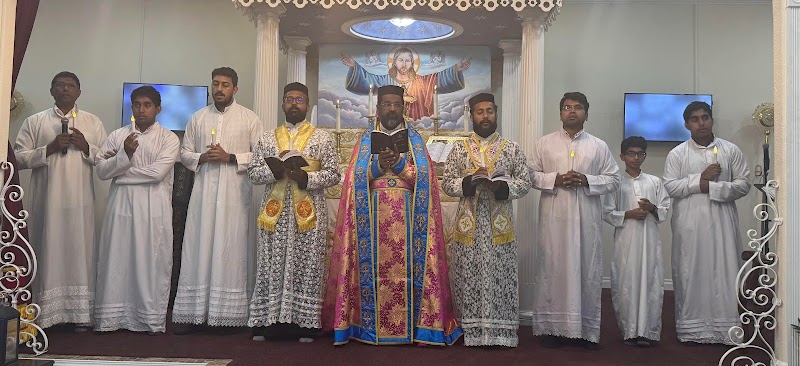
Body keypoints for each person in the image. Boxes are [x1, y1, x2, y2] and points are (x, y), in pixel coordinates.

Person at [323, 85, 462, 345]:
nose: (391, 109)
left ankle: (416, 327)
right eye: (386, 104)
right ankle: (364, 327)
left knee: (408, 271)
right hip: (372, 219)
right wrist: (376, 167)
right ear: (378, 108)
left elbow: (426, 182)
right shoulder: (366, 140)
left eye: (396, 104)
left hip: (408, 219)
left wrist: (399, 164)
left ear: (403, 107)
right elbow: (353, 182)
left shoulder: (416, 141)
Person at [172, 67, 263, 333]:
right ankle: (194, 313)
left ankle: (230, 315)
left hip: (235, 196)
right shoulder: (198, 118)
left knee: (231, 246)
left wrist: (231, 157)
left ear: (235, 89)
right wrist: (202, 157)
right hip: (203, 195)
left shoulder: (249, 119)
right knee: (199, 245)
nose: (219, 89)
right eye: (215, 84)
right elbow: (184, 153)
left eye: (225, 85)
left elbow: (260, 156)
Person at [247, 82, 340, 341]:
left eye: (299, 100)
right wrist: (274, 171)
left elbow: (334, 174)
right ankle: (267, 322)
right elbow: (254, 173)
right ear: (283, 104)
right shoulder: (267, 137)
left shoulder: (322, 137)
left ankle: (305, 323)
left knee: (307, 264)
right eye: (289, 99)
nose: (294, 104)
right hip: (274, 215)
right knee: (270, 263)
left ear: (308, 105)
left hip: (308, 214)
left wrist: (305, 178)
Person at [14, 71, 107, 330]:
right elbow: (18, 158)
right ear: (51, 90)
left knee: (80, 249)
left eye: (71, 86)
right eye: (60, 85)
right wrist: (50, 148)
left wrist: (86, 146)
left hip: (80, 202)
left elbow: (106, 159)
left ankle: (80, 316)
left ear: (79, 92)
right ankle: (46, 315)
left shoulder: (92, 122)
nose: (66, 89)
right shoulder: (35, 121)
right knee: (47, 247)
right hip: (48, 201)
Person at [529, 92, 620, 349]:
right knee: (553, 267)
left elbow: (614, 179)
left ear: (586, 113)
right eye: (567, 107)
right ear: (560, 113)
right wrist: (554, 179)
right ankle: (552, 329)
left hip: (586, 220)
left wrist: (587, 180)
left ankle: (584, 330)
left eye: (578, 107)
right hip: (554, 218)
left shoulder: (598, 146)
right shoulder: (544, 143)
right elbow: (530, 175)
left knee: (586, 270)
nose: (572, 111)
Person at [442, 93, 531, 347]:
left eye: (489, 111)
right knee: (468, 277)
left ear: (496, 113)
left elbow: (525, 183)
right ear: (471, 116)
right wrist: (470, 182)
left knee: (499, 276)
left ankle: (499, 333)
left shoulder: (512, 148)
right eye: (479, 112)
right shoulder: (459, 149)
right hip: (468, 226)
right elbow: (447, 183)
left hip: (498, 227)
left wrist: (501, 187)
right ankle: (470, 330)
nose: (485, 116)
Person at [93, 86, 180, 334]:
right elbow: (101, 172)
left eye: (147, 105)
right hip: (120, 207)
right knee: (116, 258)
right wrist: (124, 153)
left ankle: (149, 319)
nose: (141, 110)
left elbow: (157, 174)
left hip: (153, 208)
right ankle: (113, 318)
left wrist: (119, 168)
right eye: (136, 105)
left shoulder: (169, 138)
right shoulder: (117, 135)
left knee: (150, 260)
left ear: (158, 109)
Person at [663, 101, 750, 345]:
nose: (701, 123)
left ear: (712, 119)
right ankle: (692, 329)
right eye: (695, 119)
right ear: (686, 124)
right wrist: (699, 180)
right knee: (691, 271)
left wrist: (712, 187)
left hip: (722, 223)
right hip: (690, 224)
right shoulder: (678, 153)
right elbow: (670, 185)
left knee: (725, 270)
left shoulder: (730, 150)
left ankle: (726, 329)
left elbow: (743, 184)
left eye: (705, 117)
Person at [602, 136, 670, 347]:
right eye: (631, 153)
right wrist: (628, 214)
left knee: (650, 281)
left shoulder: (654, 182)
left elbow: (664, 209)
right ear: (622, 156)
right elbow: (606, 212)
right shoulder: (616, 183)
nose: (636, 157)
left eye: (640, 153)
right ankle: (629, 330)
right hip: (626, 241)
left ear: (645, 156)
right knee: (626, 282)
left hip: (649, 241)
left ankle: (647, 331)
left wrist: (652, 209)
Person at [341, 47, 470, 120]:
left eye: (408, 60)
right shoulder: (384, 81)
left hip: (417, 124)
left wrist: (456, 69)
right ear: (394, 62)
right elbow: (368, 80)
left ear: (412, 63)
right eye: (401, 60)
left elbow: (437, 79)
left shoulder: (421, 82)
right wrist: (354, 66)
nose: (404, 64)